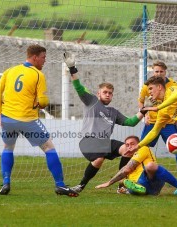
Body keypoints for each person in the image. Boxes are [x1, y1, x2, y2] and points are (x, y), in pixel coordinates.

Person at [0, 44, 78, 197]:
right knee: (49, 148)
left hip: (7, 118)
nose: (44, 61)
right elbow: (44, 101)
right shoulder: (38, 74)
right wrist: (39, 103)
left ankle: (6, 182)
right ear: (35, 57)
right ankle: (60, 185)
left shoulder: (10, 71)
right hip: (28, 119)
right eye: (43, 57)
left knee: (8, 147)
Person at [63, 52, 147, 193]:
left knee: (129, 150)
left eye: (110, 93)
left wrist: (143, 111)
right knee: (99, 158)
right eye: (105, 92)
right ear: (98, 94)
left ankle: (122, 185)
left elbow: (131, 122)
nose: (108, 94)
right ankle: (80, 186)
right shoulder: (92, 102)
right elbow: (78, 86)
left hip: (104, 142)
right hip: (88, 141)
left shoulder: (113, 112)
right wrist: (72, 68)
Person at [95, 135, 177, 197]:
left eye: (132, 144)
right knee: (128, 183)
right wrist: (121, 186)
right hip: (140, 186)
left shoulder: (143, 149)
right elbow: (124, 174)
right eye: (127, 145)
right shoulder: (127, 157)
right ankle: (137, 189)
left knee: (150, 166)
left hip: (152, 181)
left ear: (138, 144)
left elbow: (127, 169)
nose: (129, 147)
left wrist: (109, 183)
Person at [138, 61, 177, 147]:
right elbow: (141, 101)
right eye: (157, 71)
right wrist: (145, 116)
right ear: (153, 72)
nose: (159, 74)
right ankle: (145, 161)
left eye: (161, 71)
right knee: (143, 147)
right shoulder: (147, 86)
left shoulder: (173, 85)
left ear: (165, 72)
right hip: (152, 122)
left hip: (168, 122)